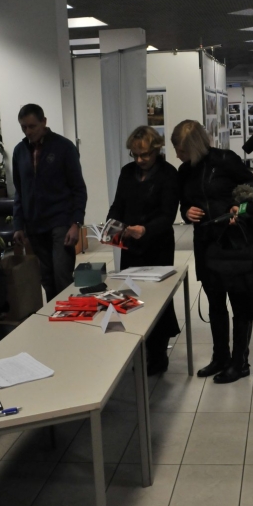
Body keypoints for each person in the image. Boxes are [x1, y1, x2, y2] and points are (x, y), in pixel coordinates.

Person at [172, 119, 253, 384]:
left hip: (233, 243)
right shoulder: (184, 171)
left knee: (239, 302)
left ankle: (240, 362)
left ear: (194, 146)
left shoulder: (226, 160)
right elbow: (184, 204)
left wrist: (239, 210)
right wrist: (186, 213)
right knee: (215, 302)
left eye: (181, 150)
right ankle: (220, 356)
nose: (177, 155)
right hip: (205, 242)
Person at [107, 125, 180, 375]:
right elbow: (118, 205)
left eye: (145, 155)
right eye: (135, 155)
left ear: (156, 150)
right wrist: (111, 225)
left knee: (157, 300)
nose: (139, 160)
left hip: (158, 245)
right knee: (131, 297)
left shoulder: (168, 174)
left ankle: (158, 354)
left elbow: (168, 215)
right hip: (130, 245)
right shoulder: (128, 172)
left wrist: (146, 230)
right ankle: (138, 349)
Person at [12, 104, 87, 301]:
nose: (28, 131)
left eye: (32, 126)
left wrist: (76, 223)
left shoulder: (64, 147)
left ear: (44, 122)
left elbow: (78, 188)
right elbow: (19, 191)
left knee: (62, 276)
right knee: (46, 279)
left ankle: (70, 315)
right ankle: (55, 317)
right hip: (35, 226)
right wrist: (18, 225)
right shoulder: (20, 151)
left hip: (61, 222)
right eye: (24, 127)